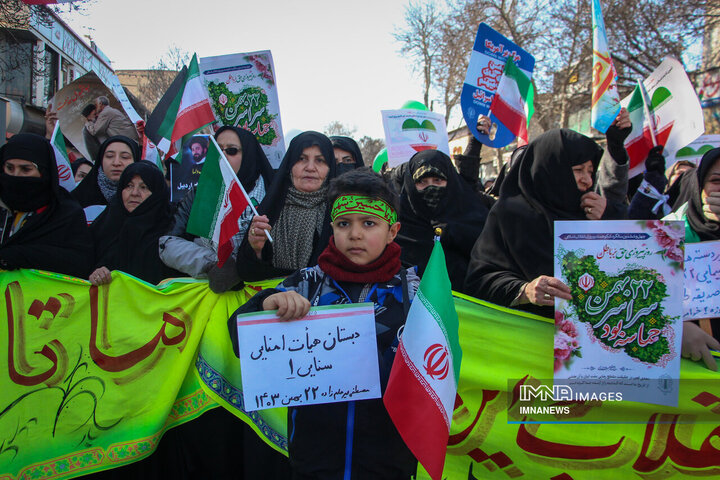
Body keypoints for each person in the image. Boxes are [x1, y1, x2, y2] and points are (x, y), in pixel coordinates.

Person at [228, 168, 418, 479]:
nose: (355, 235)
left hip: (389, 461)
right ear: (332, 228)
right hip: (312, 461)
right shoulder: (307, 283)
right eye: (344, 224)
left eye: (368, 224)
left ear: (392, 231)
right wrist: (265, 304)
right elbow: (240, 337)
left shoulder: (416, 294)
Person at [464, 128, 606, 318]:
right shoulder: (510, 216)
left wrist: (607, 221)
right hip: (532, 338)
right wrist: (525, 290)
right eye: (578, 170)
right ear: (550, 169)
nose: (587, 180)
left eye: (590, 171)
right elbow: (479, 282)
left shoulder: (594, 213)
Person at [159, 126, 274, 293]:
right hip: (213, 298)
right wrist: (213, 263)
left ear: (249, 154)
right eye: (217, 151)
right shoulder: (199, 193)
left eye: (232, 151)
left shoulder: (272, 190)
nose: (222, 157)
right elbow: (168, 244)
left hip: (266, 296)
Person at [238, 131, 337, 281]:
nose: (310, 167)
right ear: (290, 164)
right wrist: (256, 249)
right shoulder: (272, 206)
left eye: (320, 160)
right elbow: (248, 271)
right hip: (274, 300)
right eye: (301, 159)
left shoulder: (339, 211)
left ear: (330, 167)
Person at [0, 133, 93, 278]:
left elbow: (77, 263)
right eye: (10, 168)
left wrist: (16, 256)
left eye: (26, 169)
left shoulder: (65, 213)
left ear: (44, 172)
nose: (16, 176)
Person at [395, 149, 489, 293]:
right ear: (411, 185)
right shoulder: (399, 230)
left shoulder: (475, 217)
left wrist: (456, 233)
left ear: (450, 181)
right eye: (422, 182)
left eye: (438, 180)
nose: (431, 187)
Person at [665, 147, 720, 370]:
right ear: (699, 187)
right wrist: (675, 328)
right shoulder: (667, 233)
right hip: (691, 367)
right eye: (716, 180)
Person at [89, 161, 179, 286]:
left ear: (157, 192)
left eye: (144, 187)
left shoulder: (172, 228)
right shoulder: (106, 224)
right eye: (129, 186)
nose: (134, 193)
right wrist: (97, 272)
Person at [71, 136, 140, 218]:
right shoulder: (77, 200)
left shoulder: (147, 197)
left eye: (125, 157)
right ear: (101, 160)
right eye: (110, 156)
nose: (116, 163)